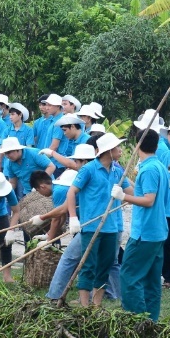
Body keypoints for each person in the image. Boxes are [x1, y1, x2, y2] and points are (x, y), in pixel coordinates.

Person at [66, 132, 130, 308]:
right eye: (117, 147)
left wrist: (126, 194)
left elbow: (131, 192)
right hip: (91, 226)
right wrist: (73, 218)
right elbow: (71, 192)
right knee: (88, 265)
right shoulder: (88, 169)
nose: (120, 150)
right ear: (108, 151)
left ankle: (96, 305)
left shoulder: (118, 171)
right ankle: (85, 305)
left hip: (112, 227)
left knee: (105, 266)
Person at [117, 129, 169, 321]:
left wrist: (124, 196)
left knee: (129, 275)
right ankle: (151, 322)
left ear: (137, 145)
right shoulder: (159, 166)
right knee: (151, 280)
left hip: (144, 233)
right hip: (157, 231)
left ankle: (136, 320)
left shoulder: (148, 169)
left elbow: (148, 200)